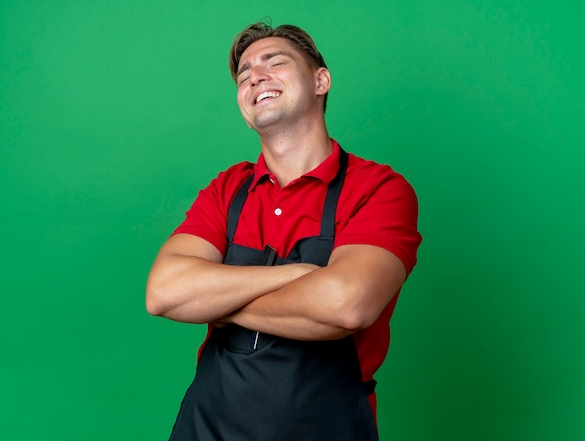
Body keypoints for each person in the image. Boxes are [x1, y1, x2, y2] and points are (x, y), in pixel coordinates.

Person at [146, 21, 422, 441]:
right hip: (208, 428)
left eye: (274, 62)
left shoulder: (378, 188)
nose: (255, 75)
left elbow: (347, 305)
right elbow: (163, 292)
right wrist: (298, 275)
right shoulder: (228, 189)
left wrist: (213, 302)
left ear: (320, 81)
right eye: (244, 74)